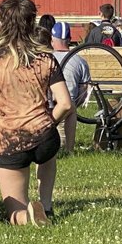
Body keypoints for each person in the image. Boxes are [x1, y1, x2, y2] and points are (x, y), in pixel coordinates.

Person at [0, 0, 73, 226]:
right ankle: (45, 204)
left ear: (2, 23)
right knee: (46, 153)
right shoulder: (46, 58)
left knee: (14, 213)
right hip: (45, 136)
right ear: (32, 22)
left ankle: (26, 215)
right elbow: (65, 103)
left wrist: (3, 118)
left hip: (9, 139)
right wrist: (47, 122)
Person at [50, 22, 91, 153]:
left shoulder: (47, 58)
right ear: (69, 40)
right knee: (71, 108)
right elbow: (84, 91)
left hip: (48, 107)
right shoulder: (80, 61)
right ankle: (69, 149)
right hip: (67, 110)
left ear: (52, 40)